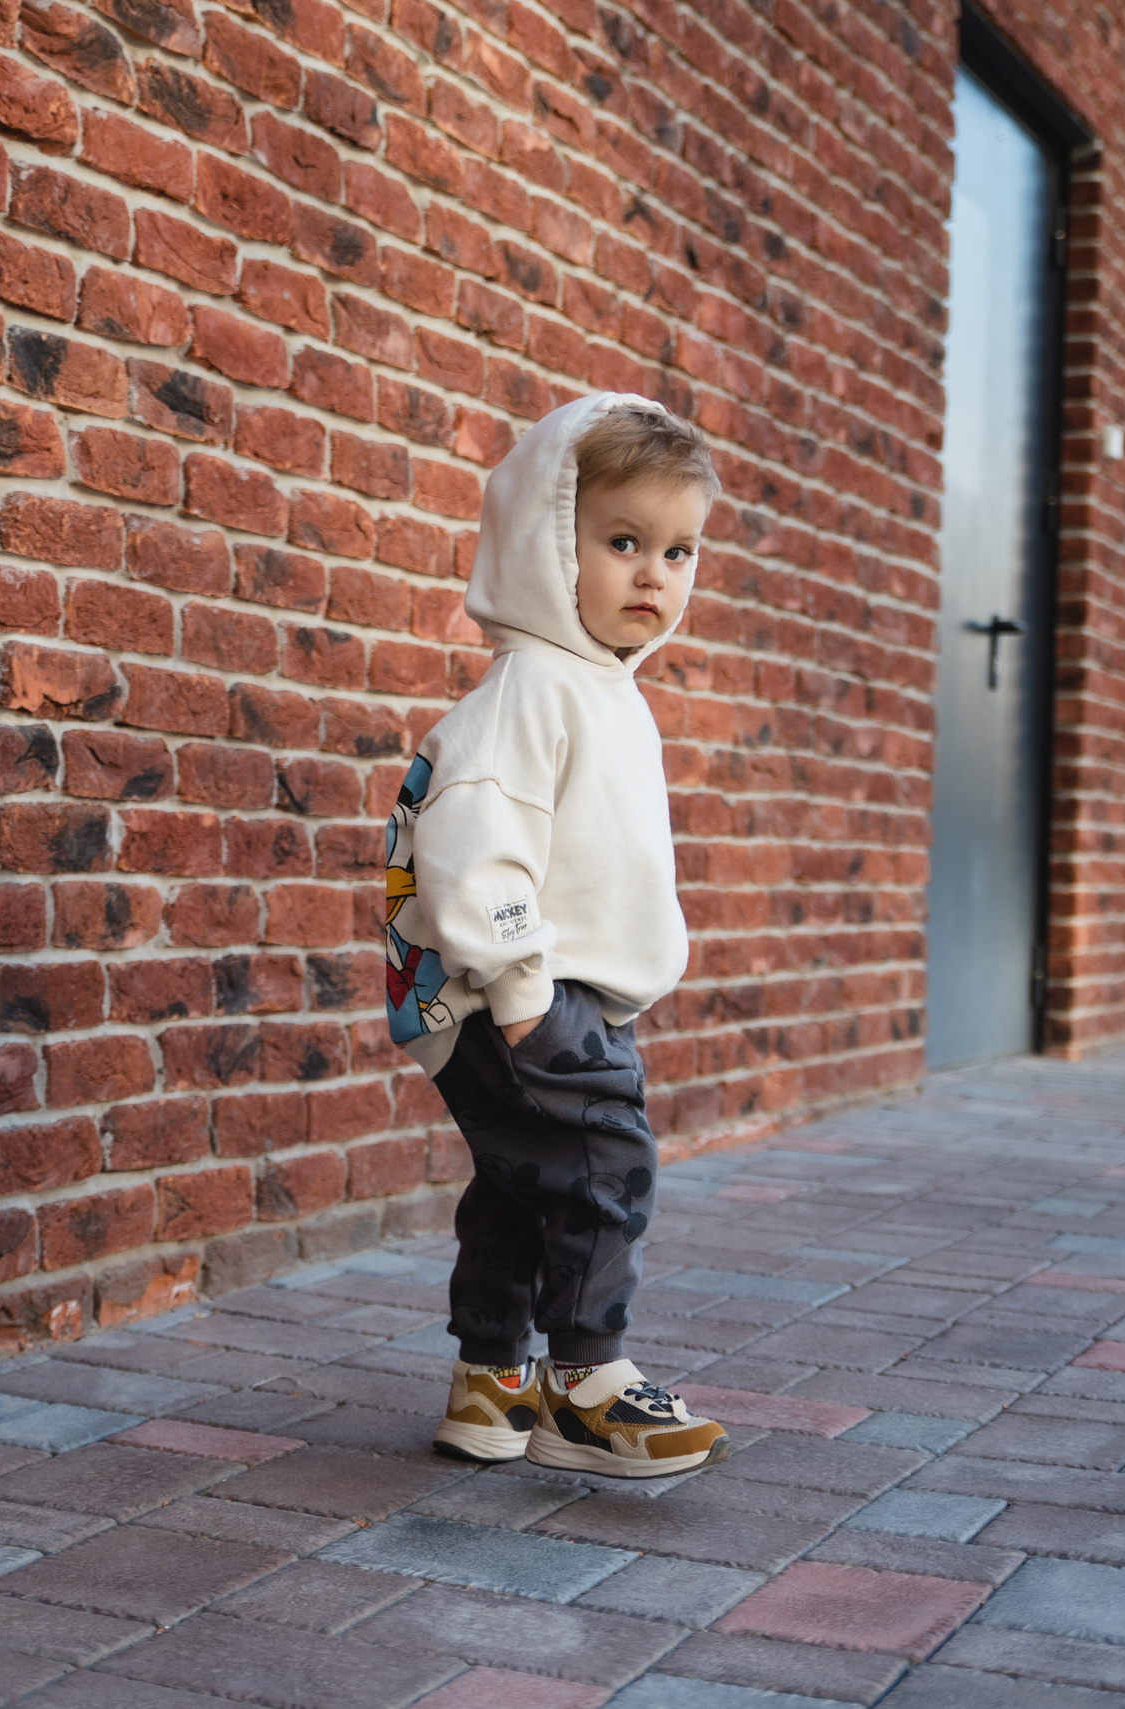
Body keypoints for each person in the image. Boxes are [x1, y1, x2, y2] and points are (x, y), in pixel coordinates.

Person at [382, 392, 730, 1478]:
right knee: (601, 1161)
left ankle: (490, 1379)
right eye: (621, 541)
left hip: (534, 982)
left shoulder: (603, 689)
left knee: (522, 1178)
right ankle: (587, 1380)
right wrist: (525, 987)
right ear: (547, 540)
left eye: (677, 551)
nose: (652, 575)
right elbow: (472, 842)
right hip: (517, 987)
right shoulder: (534, 686)